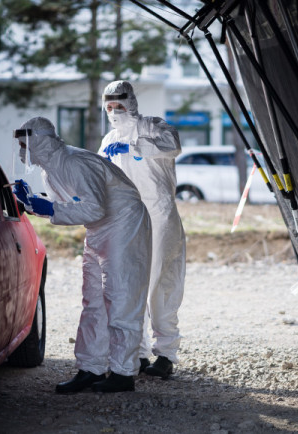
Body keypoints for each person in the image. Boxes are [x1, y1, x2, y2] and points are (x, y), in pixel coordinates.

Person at [12, 116, 152, 393]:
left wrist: (49, 209)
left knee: (121, 296)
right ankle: (91, 368)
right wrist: (35, 203)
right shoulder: (50, 170)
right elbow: (73, 205)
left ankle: (123, 374)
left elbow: (94, 207)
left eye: (25, 144)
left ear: (40, 141)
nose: (22, 150)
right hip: (100, 228)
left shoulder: (75, 162)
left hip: (124, 222)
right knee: (94, 300)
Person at [99, 80, 186, 379]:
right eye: (108, 107)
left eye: (119, 105)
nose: (114, 111)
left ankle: (166, 354)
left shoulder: (154, 126)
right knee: (130, 285)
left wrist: (134, 146)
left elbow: (173, 146)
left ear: (131, 103)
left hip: (159, 214)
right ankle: (137, 353)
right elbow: (99, 176)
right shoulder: (108, 138)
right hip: (126, 219)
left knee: (160, 284)